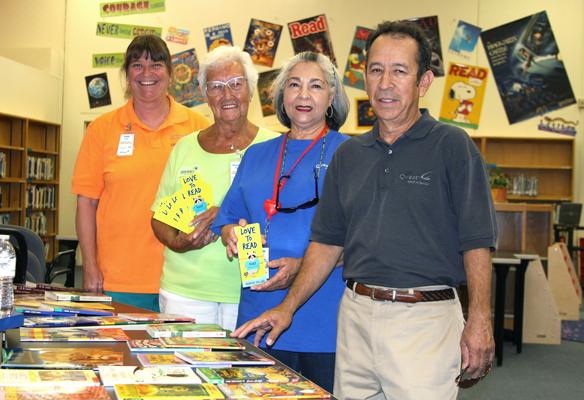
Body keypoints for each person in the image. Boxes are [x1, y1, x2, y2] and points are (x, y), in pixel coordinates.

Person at [232, 21, 498, 400]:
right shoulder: (350, 155)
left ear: (424, 82)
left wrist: (481, 319)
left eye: (399, 71)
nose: (385, 83)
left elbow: (477, 241)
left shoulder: (452, 146)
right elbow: (327, 244)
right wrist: (287, 307)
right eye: (376, 70)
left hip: (424, 319)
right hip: (355, 317)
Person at [213, 51, 350, 392]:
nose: (303, 95)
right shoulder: (257, 154)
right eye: (294, 85)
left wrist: (303, 266)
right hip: (256, 316)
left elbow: (365, 241)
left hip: (323, 323)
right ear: (281, 95)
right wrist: (231, 234)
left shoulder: (351, 155)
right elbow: (227, 218)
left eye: (315, 86)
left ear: (331, 97)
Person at [72, 35, 210, 311]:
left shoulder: (198, 127)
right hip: (118, 279)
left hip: (186, 278)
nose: (147, 73)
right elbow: (86, 202)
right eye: (137, 65)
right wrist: (90, 265)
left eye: (156, 65)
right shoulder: (101, 129)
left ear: (170, 74)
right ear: (127, 74)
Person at [150, 46, 278, 331]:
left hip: (250, 291)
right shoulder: (184, 148)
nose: (227, 94)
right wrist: (178, 242)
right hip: (184, 293)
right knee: (182, 362)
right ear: (205, 95)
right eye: (216, 86)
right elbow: (159, 217)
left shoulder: (275, 147)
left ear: (251, 90)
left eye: (236, 84)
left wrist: (225, 216)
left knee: (244, 362)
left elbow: (288, 216)